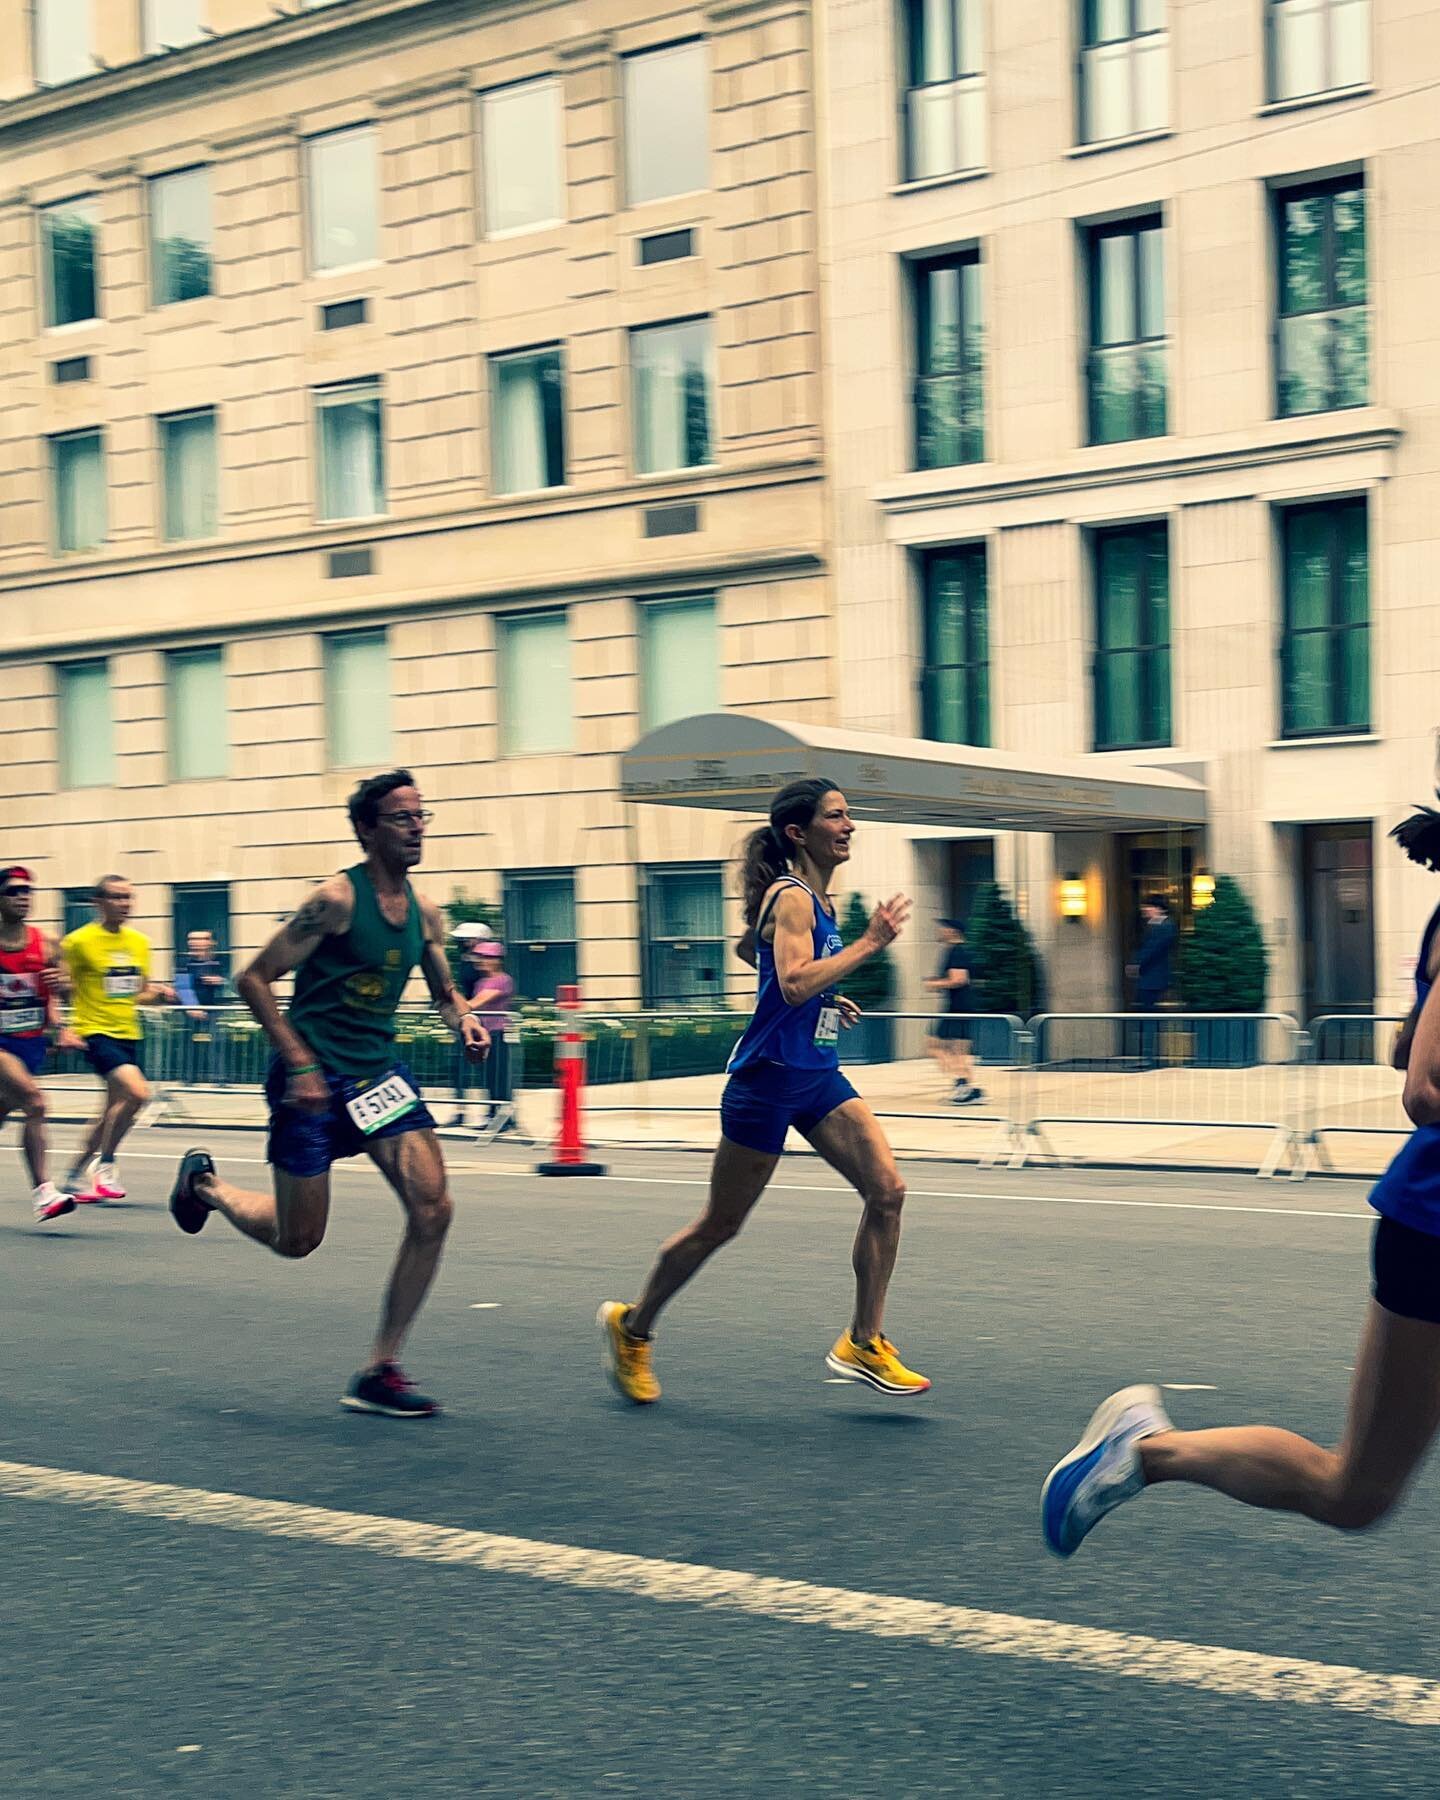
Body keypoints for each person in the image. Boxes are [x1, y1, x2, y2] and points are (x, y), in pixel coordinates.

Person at [1042, 803, 1440, 1557]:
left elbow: (1402, 1046)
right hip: (1433, 1228)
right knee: (1351, 1490)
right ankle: (1144, 1452)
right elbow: (1422, 1087)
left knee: (1357, 1494)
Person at [166, 770, 488, 1419]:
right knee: (298, 1238)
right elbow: (253, 979)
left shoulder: (426, 914)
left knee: (434, 1209)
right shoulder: (336, 900)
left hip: (377, 1079)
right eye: (402, 818)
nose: (417, 827)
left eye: (423, 815)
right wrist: (300, 1064)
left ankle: (380, 1369)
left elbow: (441, 991)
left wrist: (465, 1020)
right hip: (310, 1081)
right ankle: (206, 1187)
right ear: (368, 829)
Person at [599, 777, 929, 1404]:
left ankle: (864, 1339)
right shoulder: (796, 897)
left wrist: (826, 995)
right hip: (767, 1082)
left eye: (850, 815)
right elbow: (795, 982)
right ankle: (632, 1326)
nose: (850, 825)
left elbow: (753, 950)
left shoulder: (812, 902)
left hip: (816, 1075)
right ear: (799, 832)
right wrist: (867, 945)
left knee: (887, 1190)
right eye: (837, 816)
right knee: (720, 1225)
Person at [60, 875, 178, 1203]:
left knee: (111, 1111)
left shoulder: (139, 943)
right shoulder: (78, 943)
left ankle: (72, 1175)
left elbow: (138, 993)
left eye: (128, 898)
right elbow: (61, 987)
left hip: (129, 1033)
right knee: (138, 1093)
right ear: (98, 903)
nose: (124, 904)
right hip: (95, 1032)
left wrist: (160, 995)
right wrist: (63, 1027)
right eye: (116, 897)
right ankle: (106, 1164)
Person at [0, 867, 83, 1221]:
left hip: (31, 1044)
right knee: (35, 1103)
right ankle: (44, 1193)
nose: (23, 896)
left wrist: (61, 984)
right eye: (14, 891)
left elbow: (69, 990)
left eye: (28, 891)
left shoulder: (47, 943)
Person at [446, 928, 515, 1129]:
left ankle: (502, 1118)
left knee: (497, 1078)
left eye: (486, 957)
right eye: (479, 957)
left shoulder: (501, 980)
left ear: (496, 960)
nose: (480, 961)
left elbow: (474, 1004)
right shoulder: (483, 981)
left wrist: (449, 994)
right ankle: (492, 1116)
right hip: (483, 1033)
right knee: (487, 1077)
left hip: (497, 1033)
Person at [924, 917, 983, 1105]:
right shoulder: (958, 951)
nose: (940, 931)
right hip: (958, 1006)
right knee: (947, 1048)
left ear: (952, 931)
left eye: (943, 928)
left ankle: (963, 1086)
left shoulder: (956, 952)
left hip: (958, 1008)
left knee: (943, 1048)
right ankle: (965, 1085)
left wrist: (935, 984)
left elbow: (959, 979)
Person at [1129, 894, 1177, 1068]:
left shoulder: (1166, 926)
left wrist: (1137, 963)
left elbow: (1153, 949)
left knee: (1150, 1017)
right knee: (1145, 1016)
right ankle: (1147, 1055)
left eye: (1148, 906)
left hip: (1154, 980)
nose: (1144, 910)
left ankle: (1150, 1057)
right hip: (1148, 979)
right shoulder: (1153, 926)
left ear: (1158, 908)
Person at [175, 929, 228, 1082]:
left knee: (217, 1042)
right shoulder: (184, 963)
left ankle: (220, 1078)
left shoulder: (218, 961)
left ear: (211, 942)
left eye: (202, 939)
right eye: (192, 940)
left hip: (214, 1010)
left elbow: (231, 981)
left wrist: (220, 981)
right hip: (191, 1011)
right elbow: (183, 987)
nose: (196, 943)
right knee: (190, 1045)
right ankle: (189, 1077)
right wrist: (192, 1007)